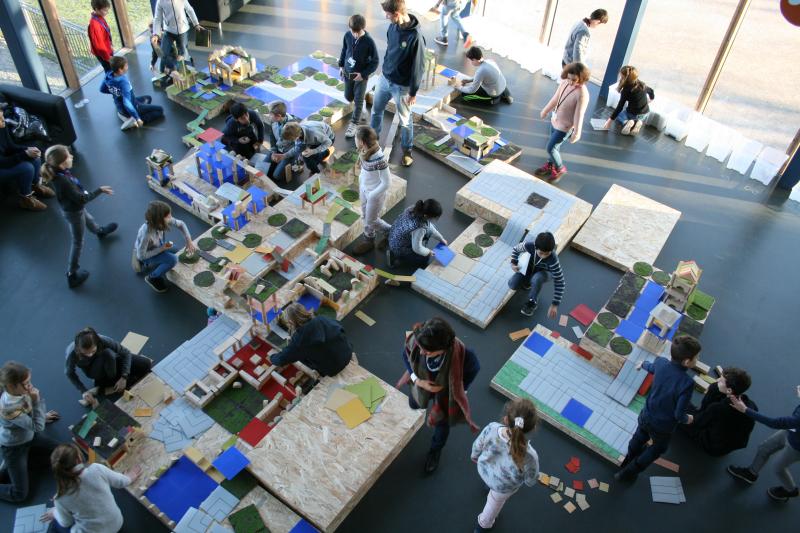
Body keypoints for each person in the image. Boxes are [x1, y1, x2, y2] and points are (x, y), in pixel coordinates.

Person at [615, 335, 702, 483]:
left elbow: (651, 367)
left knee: (639, 436)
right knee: (658, 448)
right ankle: (629, 472)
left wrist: (642, 363)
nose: (697, 360)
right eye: (696, 358)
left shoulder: (661, 362)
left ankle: (628, 459)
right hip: (663, 427)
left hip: (646, 415)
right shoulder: (687, 383)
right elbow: (679, 414)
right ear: (687, 362)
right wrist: (689, 419)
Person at [398, 318, 480, 473]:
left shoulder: (463, 355)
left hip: (446, 394)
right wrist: (418, 381)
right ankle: (420, 399)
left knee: (442, 424)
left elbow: (474, 369)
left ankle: (435, 450)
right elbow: (406, 356)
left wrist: (461, 390)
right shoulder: (419, 340)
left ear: (443, 348)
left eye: (427, 352)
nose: (421, 352)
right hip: (422, 383)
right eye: (421, 348)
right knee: (414, 403)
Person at [44, 145, 116, 289]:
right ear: (62, 163)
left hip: (75, 209)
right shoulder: (64, 181)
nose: (72, 157)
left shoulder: (61, 173)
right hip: (73, 212)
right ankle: (72, 273)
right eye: (68, 156)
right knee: (78, 241)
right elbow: (82, 199)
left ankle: (99, 231)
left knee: (88, 219)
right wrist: (99, 190)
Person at [370, 0, 426, 167]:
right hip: (385, 79)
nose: (386, 17)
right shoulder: (392, 27)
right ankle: (373, 142)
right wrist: (384, 70)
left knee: (405, 120)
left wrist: (413, 92)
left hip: (402, 87)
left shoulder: (415, 36)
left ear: (397, 14)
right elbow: (389, 49)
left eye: (388, 14)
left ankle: (407, 150)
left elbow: (419, 66)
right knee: (376, 111)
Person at [471, 399, 539, 532]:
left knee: (490, 483)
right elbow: (531, 479)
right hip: (503, 487)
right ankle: (482, 526)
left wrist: (474, 456)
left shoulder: (492, 428)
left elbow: (477, 445)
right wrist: (529, 481)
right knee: (492, 507)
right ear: (532, 428)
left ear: (506, 419)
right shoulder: (530, 456)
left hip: (485, 471)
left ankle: (487, 486)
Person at [41, 443, 141, 533]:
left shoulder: (60, 498)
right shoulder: (97, 469)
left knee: (55, 526)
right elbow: (121, 482)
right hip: (117, 523)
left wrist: (55, 512)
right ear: (79, 459)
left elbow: (66, 523)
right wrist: (130, 477)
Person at [727, 384, 800, 503]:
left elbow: (774, 423)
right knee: (764, 448)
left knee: (778, 467)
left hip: (796, 448)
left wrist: (745, 409)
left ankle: (791, 490)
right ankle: (751, 473)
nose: (798, 386)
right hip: (791, 431)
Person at [0, 361, 60, 503]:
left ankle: (12, 465)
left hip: (29, 436)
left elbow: (28, 413)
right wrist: (37, 402)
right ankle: (9, 464)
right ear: (11, 386)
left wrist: (42, 416)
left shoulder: (21, 391)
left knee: (61, 451)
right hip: (14, 446)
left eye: (29, 381)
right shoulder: (8, 407)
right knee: (19, 494)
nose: (30, 386)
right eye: (26, 383)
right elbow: (38, 427)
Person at [65, 327, 153, 406]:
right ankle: (104, 384)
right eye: (85, 353)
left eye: (92, 351)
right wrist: (83, 391)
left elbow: (126, 353)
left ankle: (103, 387)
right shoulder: (72, 353)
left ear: (97, 342)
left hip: (112, 360)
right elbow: (70, 373)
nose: (89, 355)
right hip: (94, 371)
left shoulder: (103, 340)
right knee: (108, 354)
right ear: (78, 349)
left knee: (146, 364)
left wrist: (124, 377)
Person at [681, 367, 757, 457]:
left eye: (721, 381)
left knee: (679, 407)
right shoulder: (751, 405)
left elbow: (697, 421)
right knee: (714, 389)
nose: (718, 380)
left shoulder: (718, 408)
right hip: (728, 444)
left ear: (729, 390)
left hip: (712, 445)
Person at [534, 62, 590, 183]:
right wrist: (545, 110)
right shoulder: (565, 83)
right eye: (569, 78)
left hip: (565, 126)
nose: (570, 82)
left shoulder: (582, 93)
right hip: (555, 120)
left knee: (551, 148)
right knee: (555, 147)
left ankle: (560, 168)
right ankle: (550, 164)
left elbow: (579, 114)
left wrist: (577, 132)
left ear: (581, 78)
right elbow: (556, 98)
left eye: (574, 80)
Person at [268, 303, 352, 377]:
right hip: (347, 352)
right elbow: (340, 327)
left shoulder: (299, 339)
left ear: (291, 322)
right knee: (305, 351)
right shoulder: (322, 319)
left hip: (333, 369)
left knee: (299, 354)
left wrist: (272, 357)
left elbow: (281, 360)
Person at [134, 200, 195, 293]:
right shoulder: (146, 233)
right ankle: (152, 277)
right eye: (168, 216)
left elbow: (181, 224)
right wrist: (161, 249)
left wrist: (189, 240)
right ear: (158, 220)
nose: (171, 218)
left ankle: (155, 257)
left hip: (159, 244)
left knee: (177, 250)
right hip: (146, 253)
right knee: (173, 259)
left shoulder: (161, 221)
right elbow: (141, 255)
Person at [351, 126, 392, 255]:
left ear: (362, 141)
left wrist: (372, 195)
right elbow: (365, 171)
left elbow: (387, 182)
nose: (354, 140)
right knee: (365, 216)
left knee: (371, 220)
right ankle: (369, 240)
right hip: (365, 190)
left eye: (355, 138)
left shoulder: (379, 158)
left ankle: (390, 232)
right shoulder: (364, 152)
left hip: (375, 194)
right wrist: (361, 184)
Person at [338, 14, 379, 139]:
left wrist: (363, 74)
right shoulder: (347, 35)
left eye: (358, 32)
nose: (355, 34)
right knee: (348, 96)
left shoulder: (369, 42)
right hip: (347, 73)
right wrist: (341, 66)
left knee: (358, 99)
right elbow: (344, 50)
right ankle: (361, 107)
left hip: (361, 76)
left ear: (363, 28)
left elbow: (375, 61)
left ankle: (354, 123)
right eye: (353, 31)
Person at [0, 113, 52, 211]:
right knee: (26, 168)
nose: (3, 120)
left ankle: (36, 186)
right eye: (0, 119)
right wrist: (24, 154)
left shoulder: (2, 126)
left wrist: (27, 149)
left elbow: (10, 146)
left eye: (2, 116)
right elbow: (2, 162)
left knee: (35, 158)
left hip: (4, 159)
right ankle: (26, 199)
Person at [507, 231, 565, 318]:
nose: (544, 256)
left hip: (545, 273)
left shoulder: (553, 260)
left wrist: (555, 305)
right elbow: (516, 249)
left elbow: (560, 282)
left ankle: (532, 302)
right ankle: (528, 283)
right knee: (512, 284)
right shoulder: (529, 245)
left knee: (537, 278)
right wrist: (513, 263)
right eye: (541, 253)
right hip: (530, 268)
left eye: (547, 253)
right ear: (535, 247)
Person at [101, 56, 164, 131]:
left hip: (120, 108)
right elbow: (127, 103)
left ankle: (126, 115)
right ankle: (135, 121)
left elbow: (102, 89)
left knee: (148, 98)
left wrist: (115, 92)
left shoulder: (108, 75)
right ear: (120, 70)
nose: (127, 66)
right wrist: (137, 118)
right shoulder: (123, 82)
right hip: (132, 106)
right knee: (160, 110)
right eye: (126, 66)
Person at [386, 199, 447, 269]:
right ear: (426, 216)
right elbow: (417, 248)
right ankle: (395, 255)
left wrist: (441, 239)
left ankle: (395, 249)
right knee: (425, 258)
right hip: (398, 246)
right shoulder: (420, 228)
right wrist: (429, 252)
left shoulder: (414, 208)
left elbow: (429, 227)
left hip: (393, 235)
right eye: (434, 217)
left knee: (430, 228)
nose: (435, 219)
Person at [255, 101, 301, 183]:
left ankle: (295, 163)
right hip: (278, 149)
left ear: (278, 116)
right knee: (261, 169)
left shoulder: (293, 126)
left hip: (288, 153)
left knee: (276, 176)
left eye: (270, 114)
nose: (269, 116)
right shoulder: (274, 120)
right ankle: (277, 163)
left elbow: (296, 147)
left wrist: (283, 156)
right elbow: (272, 136)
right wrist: (273, 151)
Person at [603, 65, 655, 136]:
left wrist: (609, 121)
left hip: (633, 114)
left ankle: (627, 122)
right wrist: (651, 99)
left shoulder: (626, 90)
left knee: (620, 115)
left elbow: (620, 107)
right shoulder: (642, 84)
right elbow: (651, 91)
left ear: (624, 77)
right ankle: (638, 122)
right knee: (637, 115)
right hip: (645, 113)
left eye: (621, 76)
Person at [152, 0, 201, 73]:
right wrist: (156, 34)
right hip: (168, 31)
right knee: (163, 53)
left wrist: (196, 24)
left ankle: (191, 72)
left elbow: (189, 10)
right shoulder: (160, 1)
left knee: (183, 54)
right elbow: (157, 18)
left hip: (182, 30)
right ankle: (168, 72)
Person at [87, 0, 113, 72]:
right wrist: (107, 57)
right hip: (103, 54)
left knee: (111, 71)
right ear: (96, 9)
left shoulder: (99, 17)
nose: (107, 12)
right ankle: (109, 83)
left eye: (107, 10)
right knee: (110, 72)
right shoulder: (95, 24)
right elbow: (99, 45)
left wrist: (110, 47)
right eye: (105, 10)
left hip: (107, 50)